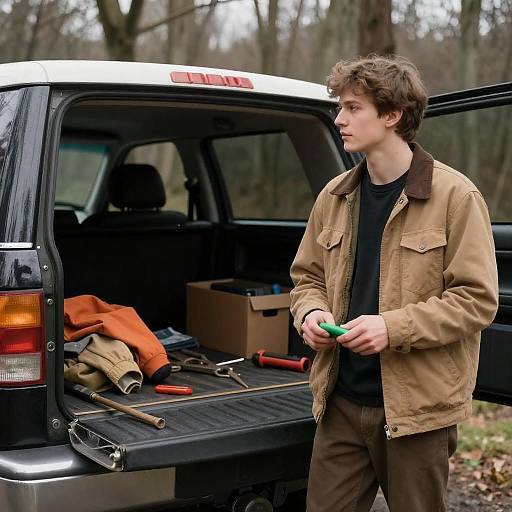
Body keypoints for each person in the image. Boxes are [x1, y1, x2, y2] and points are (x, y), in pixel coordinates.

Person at [289, 55, 499, 512]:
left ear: (392, 115)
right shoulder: (335, 194)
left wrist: (393, 328)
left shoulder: (455, 196)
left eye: (352, 108)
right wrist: (311, 312)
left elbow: (476, 301)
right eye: (340, 108)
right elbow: (306, 277)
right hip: (340, 402)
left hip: (417, 413)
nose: (339, 119)